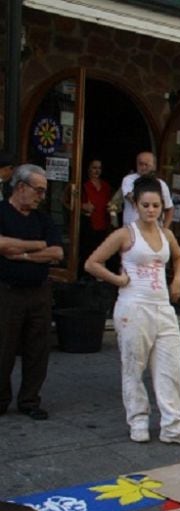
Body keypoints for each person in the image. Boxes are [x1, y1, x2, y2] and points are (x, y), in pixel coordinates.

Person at [85, 177, 180, 446]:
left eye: (156, 205)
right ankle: (138, 419)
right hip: (133, 304)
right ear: (135, 205)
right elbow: (92, 263)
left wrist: (176, 279)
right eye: (146, 205)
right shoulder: (125, 234)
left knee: (170, 367)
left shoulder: (166, 234)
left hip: (162, 306)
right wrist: (118, 280)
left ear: (163, 207)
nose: (151, 210)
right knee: (133, 365)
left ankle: (174, 424)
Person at [0, 165, 64, 420]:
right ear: (21, 187)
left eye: (44, 191)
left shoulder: (43, 219)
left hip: (38, 292)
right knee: (3, 347)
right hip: (7, 291)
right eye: (38, 190)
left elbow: (57, 252)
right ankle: (1, 399)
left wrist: (21, 253)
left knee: (38, 348)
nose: (41, 196)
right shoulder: (2, 212)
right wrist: (38, 246)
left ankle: (29, 399)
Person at [79, 159, 114, 277]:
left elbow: (112, 203)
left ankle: (99, 277)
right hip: (88, 223)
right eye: (94, 167)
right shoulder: (83, 185)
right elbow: (69, 202)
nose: (96, 170)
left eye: (99, 168)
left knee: (101, 252)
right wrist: (82, 206)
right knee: (87, 251)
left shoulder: (106, 186)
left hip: (103, 223)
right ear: (88, 169)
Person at [120, 152, 174, 227]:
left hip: (154, 231)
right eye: (140, 164)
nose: (143, 167)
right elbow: (131, 198)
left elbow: (169, 208)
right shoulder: (128, 180)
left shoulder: (162, 184)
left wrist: (164, 230)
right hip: (131, 230)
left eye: (146, 164)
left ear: (154, 166)